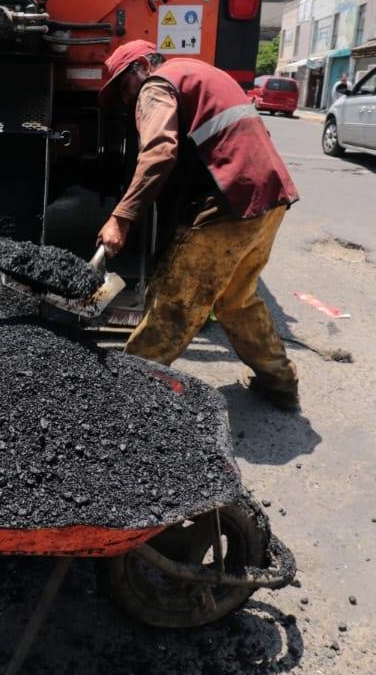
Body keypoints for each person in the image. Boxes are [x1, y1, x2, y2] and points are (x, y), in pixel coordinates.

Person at [96, 41, 300, 409]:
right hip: (268, 198)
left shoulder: (155, 86)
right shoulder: (200, 72)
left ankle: (126, 402)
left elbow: (159, 151)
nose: (127, 101)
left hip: (226, 203)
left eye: (123, 89)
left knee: (173, 302)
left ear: (140, 67)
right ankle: (280, 384)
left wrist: (120, 217)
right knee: (237, 300)